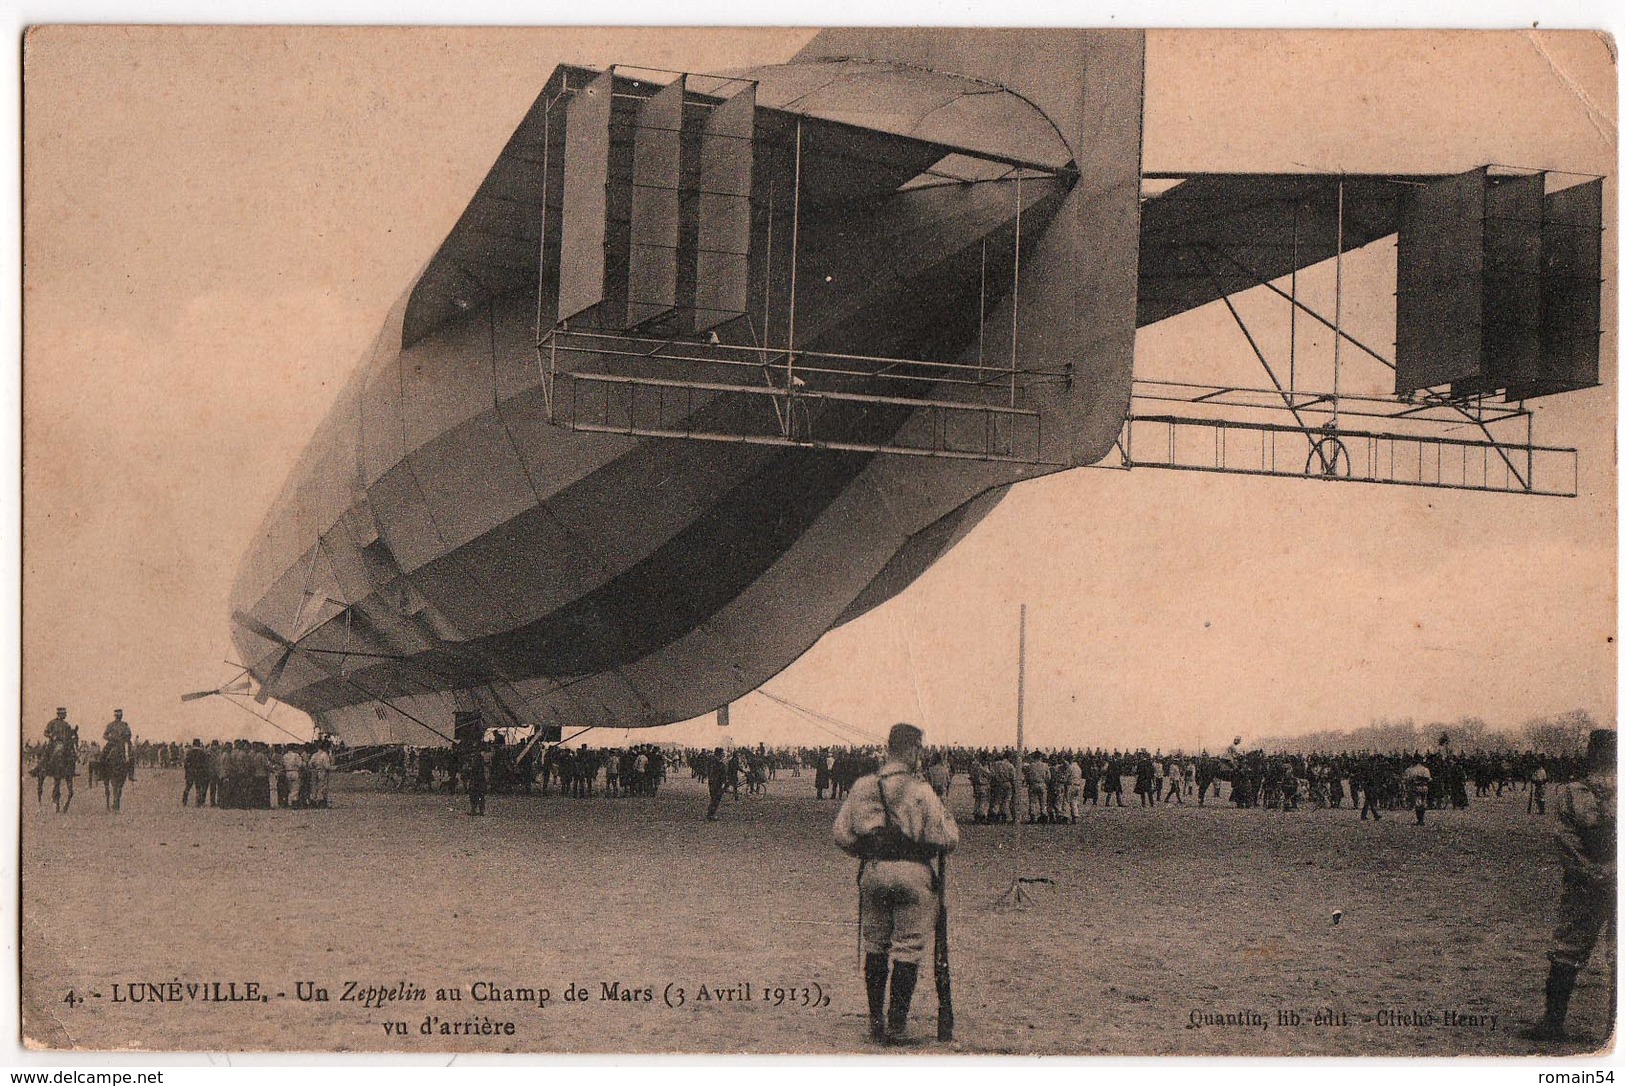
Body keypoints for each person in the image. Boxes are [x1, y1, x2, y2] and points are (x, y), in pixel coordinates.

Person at [833, 723, 958, 1045]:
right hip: (913, 874)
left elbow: (841, 835)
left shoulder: (864, 786)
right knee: (908, 947)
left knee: (875, 945)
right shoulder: (920, 790)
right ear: (913, 750)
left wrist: (870, 850)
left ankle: (876, 1022)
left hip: (874, 872)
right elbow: (947, 838)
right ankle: (897, 1025)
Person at [1523, 729, 1616, 1044]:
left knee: (1567, 949)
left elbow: (1565, 839)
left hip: (1585, 882)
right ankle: (1613, 1030)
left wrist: (1592, 870)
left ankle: (1553, 1021)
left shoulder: (1573, 792)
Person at [1403, 758, 1432, 825]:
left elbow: (1407, 779)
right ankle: (1422, 819)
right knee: (1423, 802)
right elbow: (1429, 779)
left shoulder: (1410, 770)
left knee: (1417, 802)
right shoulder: (1425, 769)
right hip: (1424, 786)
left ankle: (1420, 820)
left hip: (1415, 787)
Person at [705, 747, 729, 821]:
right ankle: (711, 815)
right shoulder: (719, 763)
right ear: (719, 754)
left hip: (712, 782)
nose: (723, 755)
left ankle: (710, 814)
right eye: (722, 754)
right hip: (717, 783)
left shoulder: (711, 761)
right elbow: (722, 774)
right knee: (716, 799)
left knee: (714, 798)